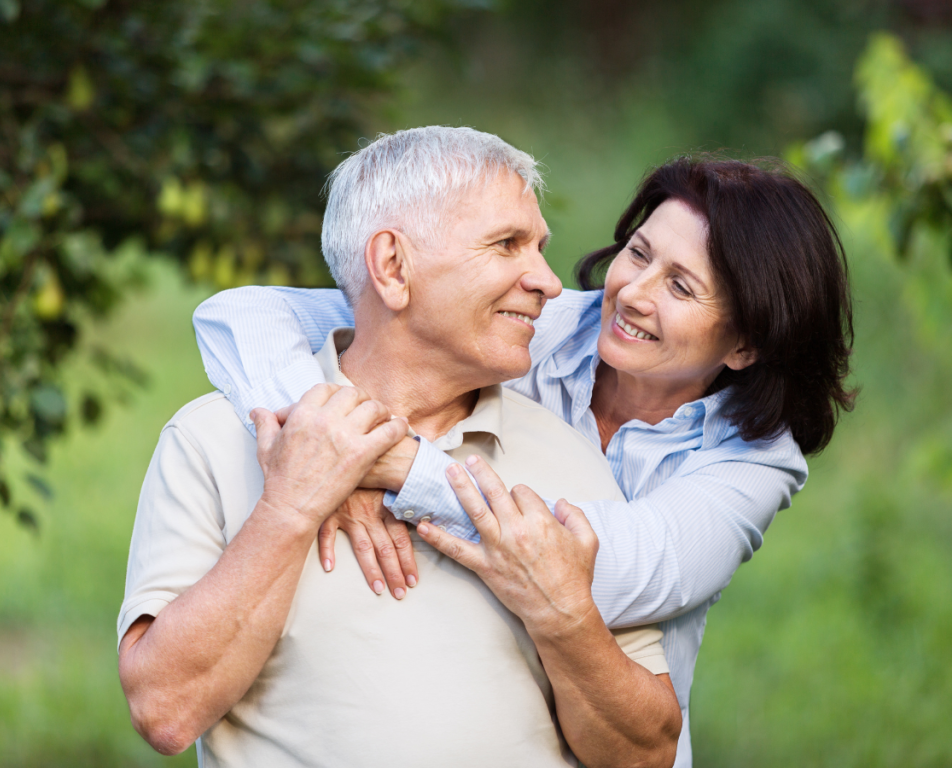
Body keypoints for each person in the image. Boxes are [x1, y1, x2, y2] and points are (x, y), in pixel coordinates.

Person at [192, 148, 856, 767]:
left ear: (743, 344)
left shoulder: (756, 462)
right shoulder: (533, 325)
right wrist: (330, 438)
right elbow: (242, 317)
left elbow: (598, 565)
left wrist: (391, 464)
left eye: (680, 287)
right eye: (639, 252)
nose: (633, 292)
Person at [118, 126, 682, 768]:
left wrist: (564, 617)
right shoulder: (212, 440)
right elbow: (165, 713)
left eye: (541, 249)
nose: (551, 283)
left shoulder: (569, 457)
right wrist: (291, 509)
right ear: (391, 266)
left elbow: (647, 755)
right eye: (506, 245)